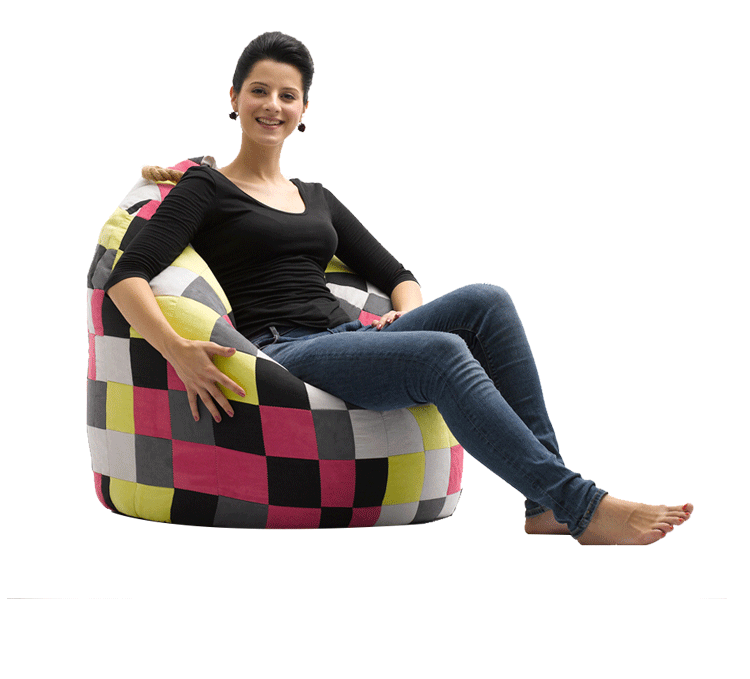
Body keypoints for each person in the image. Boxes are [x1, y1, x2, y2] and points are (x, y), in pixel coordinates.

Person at [105, 31, 693, 544]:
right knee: (442, 353)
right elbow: (124, 276)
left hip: (345, 337)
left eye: (288, 95)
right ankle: (579, 504)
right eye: (259, 91)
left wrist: (398, 317)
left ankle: (544, 506)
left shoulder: (317, 197)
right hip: (283, 352)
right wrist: (176, 350)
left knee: (488, 300)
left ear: (304, 108)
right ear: (234, 98)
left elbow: (399, 277)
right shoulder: (205, 188)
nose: (272, 105)